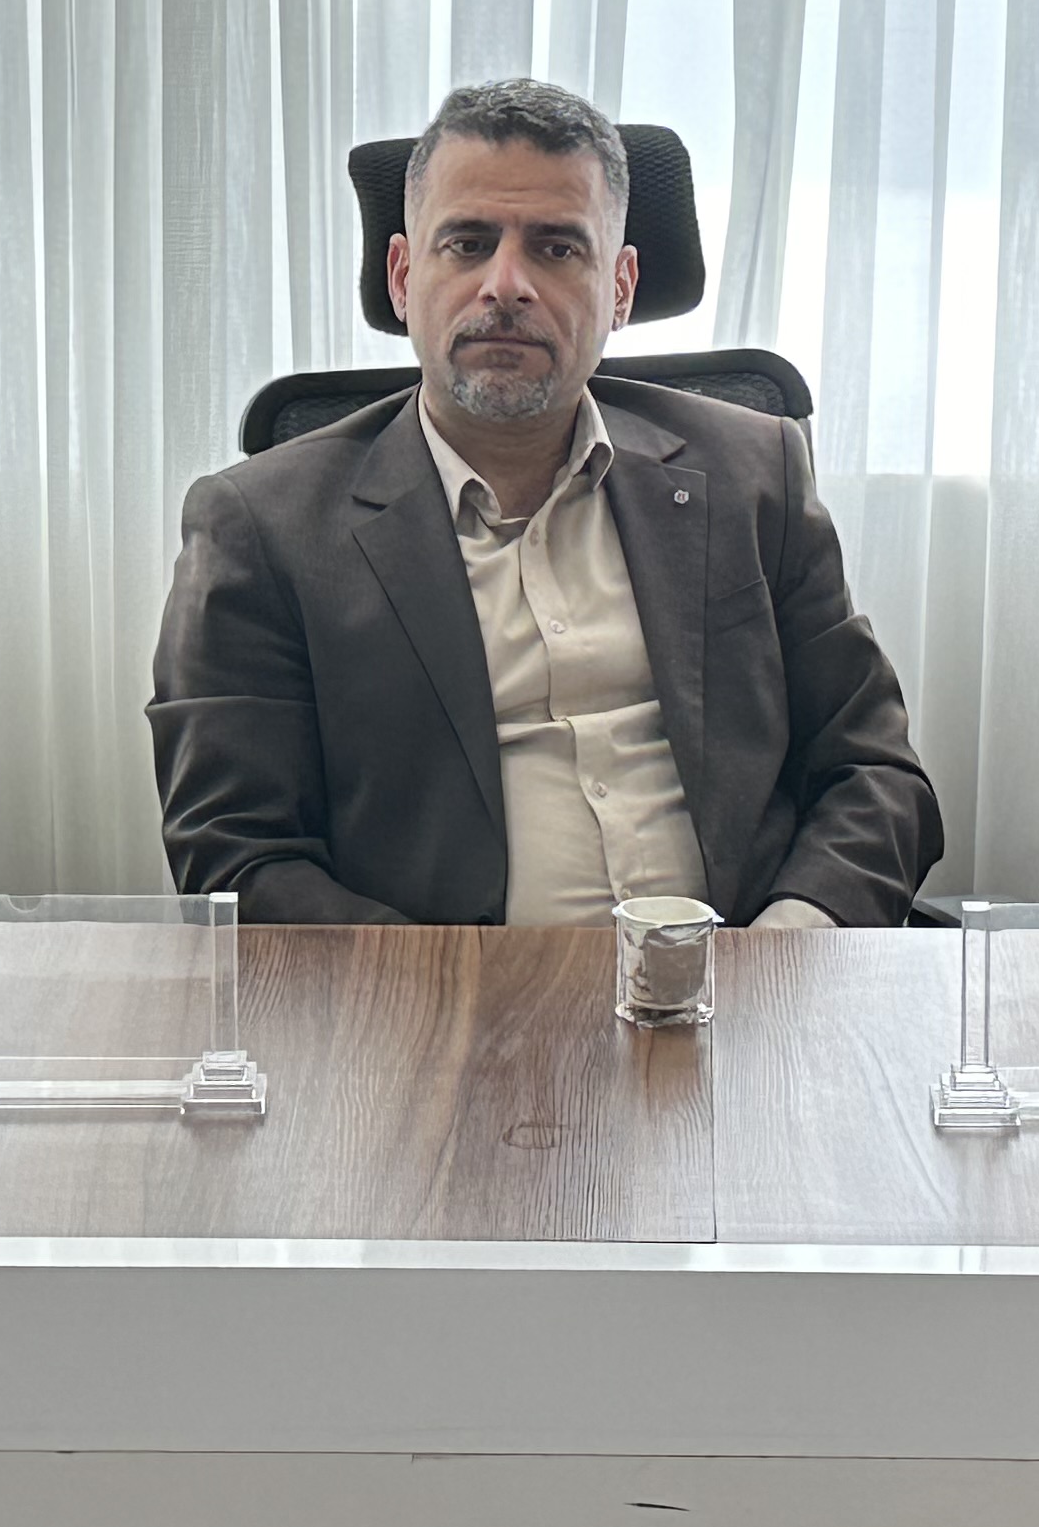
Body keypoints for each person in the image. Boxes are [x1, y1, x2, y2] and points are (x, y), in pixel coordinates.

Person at [152, 78, 939, 926]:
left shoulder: (754, 473)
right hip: (439, 998)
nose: (506, 285)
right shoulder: (262, 527)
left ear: (621, 287)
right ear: (403, 275)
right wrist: (453, 990)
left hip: (748, 976)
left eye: (558, 249)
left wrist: (794, 937)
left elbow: (875, 772)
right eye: (467, 244)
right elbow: (239, 856)